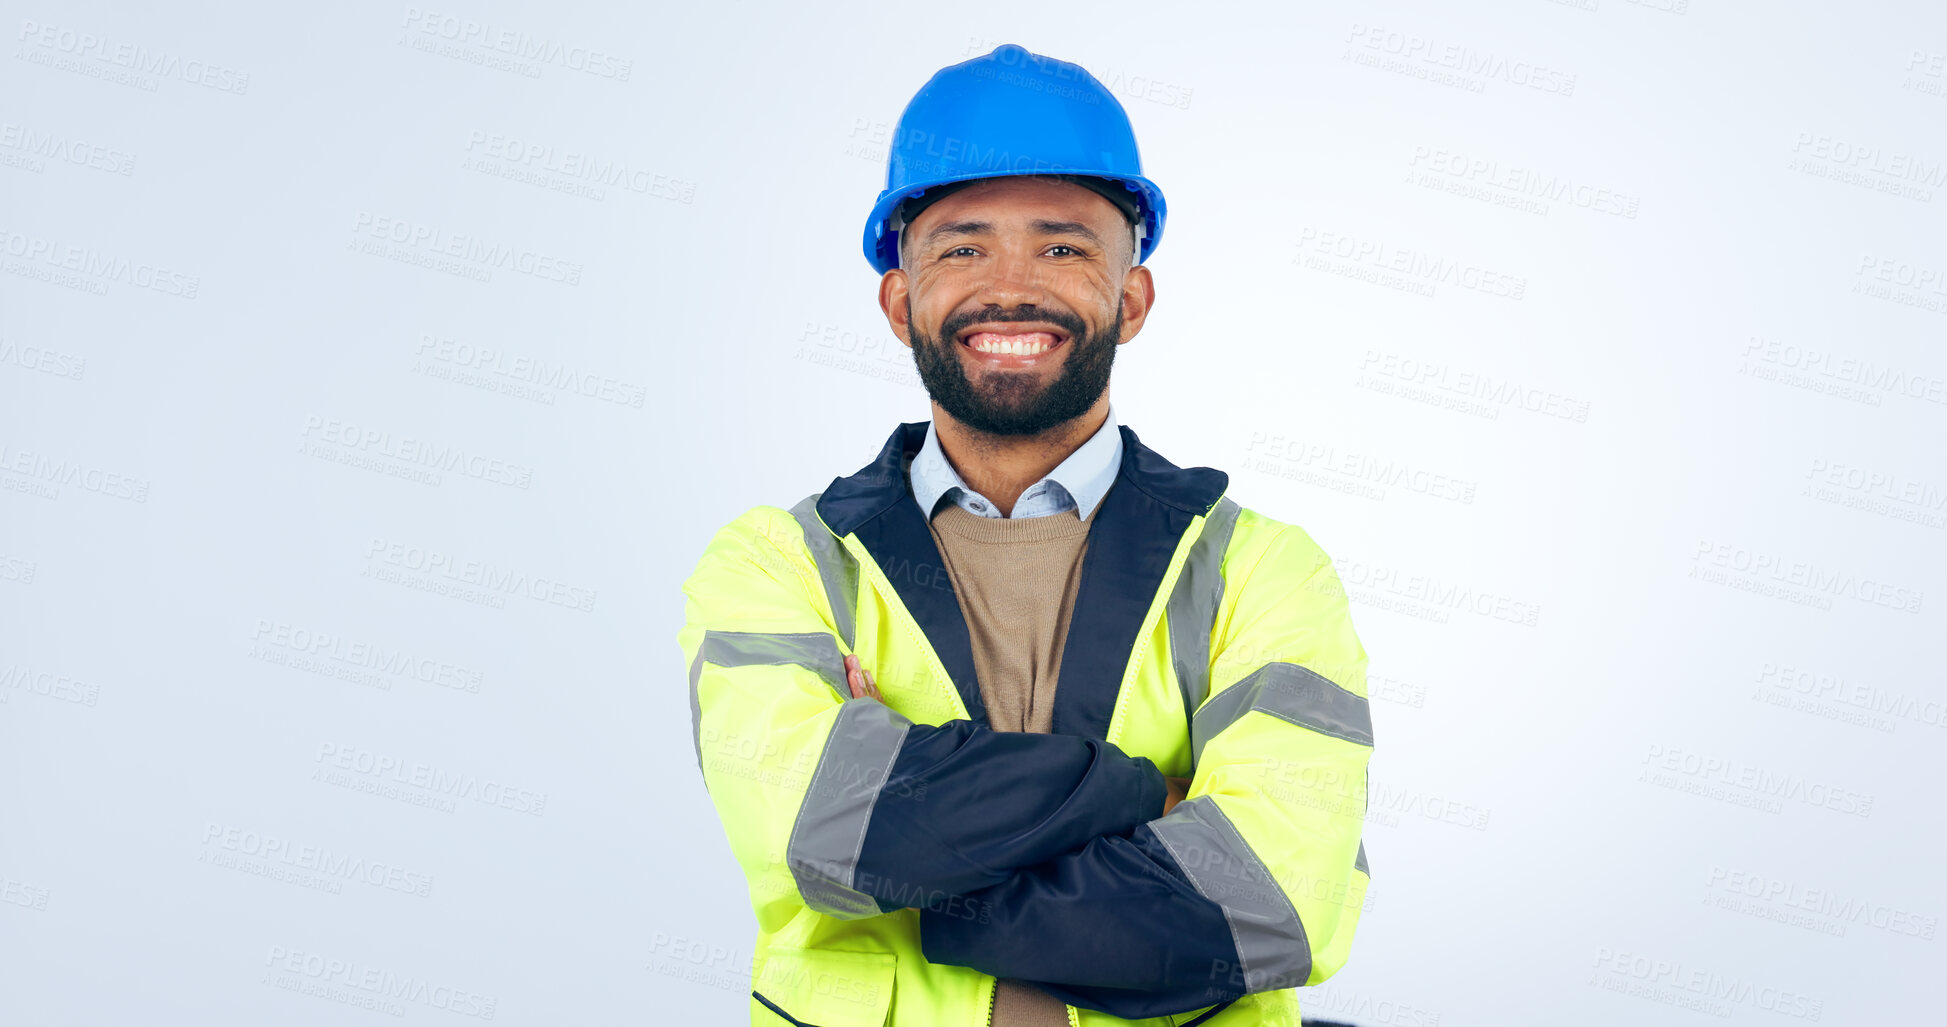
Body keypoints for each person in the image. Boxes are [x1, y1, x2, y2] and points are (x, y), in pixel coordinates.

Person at [677, 43, 1374, 1027]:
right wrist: (1146, 798)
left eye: (1062, 247)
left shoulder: (1261, 571)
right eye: (962, 247)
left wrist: (925, 865)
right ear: (898, 299)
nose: (1011, 286)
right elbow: (822, 828)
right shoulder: (781, 563)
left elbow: (1270, 903)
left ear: (1130, 298)